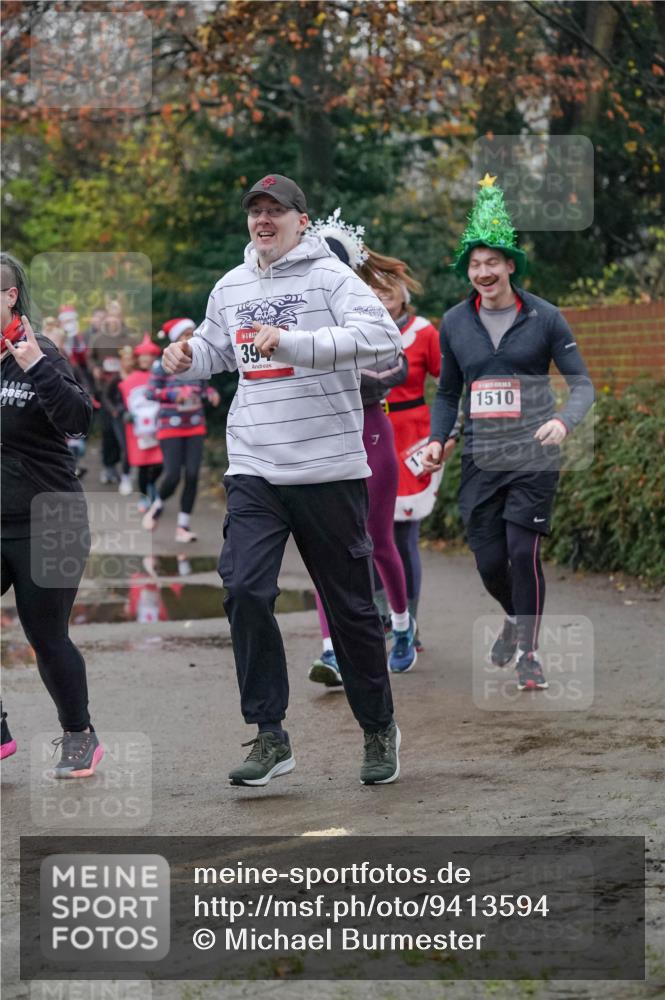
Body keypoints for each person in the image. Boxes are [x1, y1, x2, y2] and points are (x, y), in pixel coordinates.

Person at [162, 173, 403, 786]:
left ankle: (378, 729)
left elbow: (382, 339)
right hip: (254, 465)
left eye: (276, 211)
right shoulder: (232, 284)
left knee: (350, 611)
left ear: (302, 219)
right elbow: (217, 352)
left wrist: (294, 343)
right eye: (255, 212)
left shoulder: (331, 278)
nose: (263, 221)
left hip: (327, 468)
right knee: (243, 589)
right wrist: (187, 359)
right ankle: (270, 735)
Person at [422, 175, 595, 690]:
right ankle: (515, 617)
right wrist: (438, 438)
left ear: (510, 265)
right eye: (474, 264)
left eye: (492, 262)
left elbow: (582, 385)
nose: (483, 272)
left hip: (533, 456)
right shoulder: (454, 322)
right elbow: (449, 392)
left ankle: (530, 654)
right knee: (491, 562)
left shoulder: (545, 317)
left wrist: (563, 420)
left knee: (523, 552)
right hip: (479, 456)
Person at [0, 252, 104, 775]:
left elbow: (79, 419)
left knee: (46, 636)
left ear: (10, 296)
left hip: (52, 521)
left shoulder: (40, 352)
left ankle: (79, 734)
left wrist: (36, 368)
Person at [305, 210, 415, 681]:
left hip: (371, 430)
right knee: (323, 547)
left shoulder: (363, 305)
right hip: (317, 435)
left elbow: (398, 368)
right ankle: (331, 649)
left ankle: (403, 626)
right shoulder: (295, 309)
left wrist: (342, 370)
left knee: (376, 540)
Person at [358, 250, 458, 653]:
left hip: (413, 436)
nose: (383, 296)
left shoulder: (424, 331)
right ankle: (383, 617)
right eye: (375, 289)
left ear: (403, 292)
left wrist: (448, 434)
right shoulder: (355, 329)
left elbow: (449, 385)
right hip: (366, 433)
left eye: (389, 289)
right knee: (367, 534)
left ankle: (408, 622)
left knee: (402, 535)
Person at [142, 319, 220, 542]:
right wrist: (175, 396)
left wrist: (211, 394)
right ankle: (157, 506)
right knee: (173, 475)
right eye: (184, 334)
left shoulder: (199, 361)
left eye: (191, 334)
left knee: (193, 475)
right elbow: (150, 393)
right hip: (170, 427)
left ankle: (183, 526)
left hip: (195, 424)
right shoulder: (162, 365)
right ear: (175, 338)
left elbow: (204, 389)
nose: (188, 338)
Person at [118, 334, 163, 511]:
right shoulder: (129, 379)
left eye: (149, 356)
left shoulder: (161, 376)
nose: (145, 359)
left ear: (154, 357)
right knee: (143, 464)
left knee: (161, 462)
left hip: (159, 426)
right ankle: (144, 496)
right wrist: (123, 412)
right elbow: (117, 399)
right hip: (137, 429)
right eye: (142, 356)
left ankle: (152, 486)